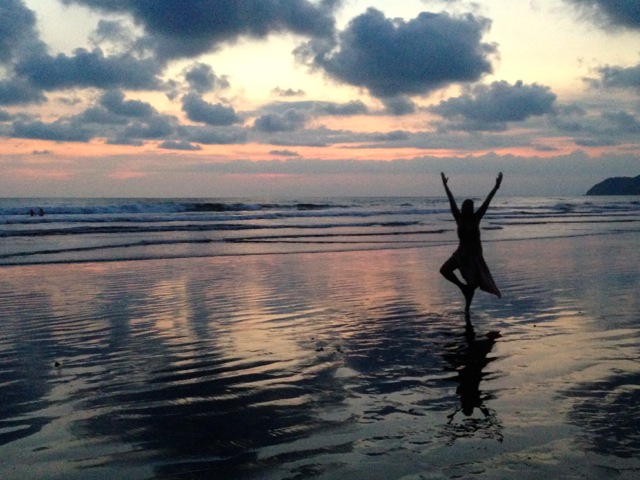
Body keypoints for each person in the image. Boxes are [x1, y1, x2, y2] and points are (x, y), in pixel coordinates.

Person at [439, 172, 502, 319]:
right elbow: (451, 200)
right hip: (461, 253)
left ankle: (467, 302)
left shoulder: (476, 218)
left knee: (474, 282)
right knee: (444, 270)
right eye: (468, 207)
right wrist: (445, 186)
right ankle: (464, 289)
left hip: (474, 254)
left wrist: (496, 187)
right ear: (464, 208)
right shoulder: (458, 217)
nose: (471, 209)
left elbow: (487, 201)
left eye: (472, 207)